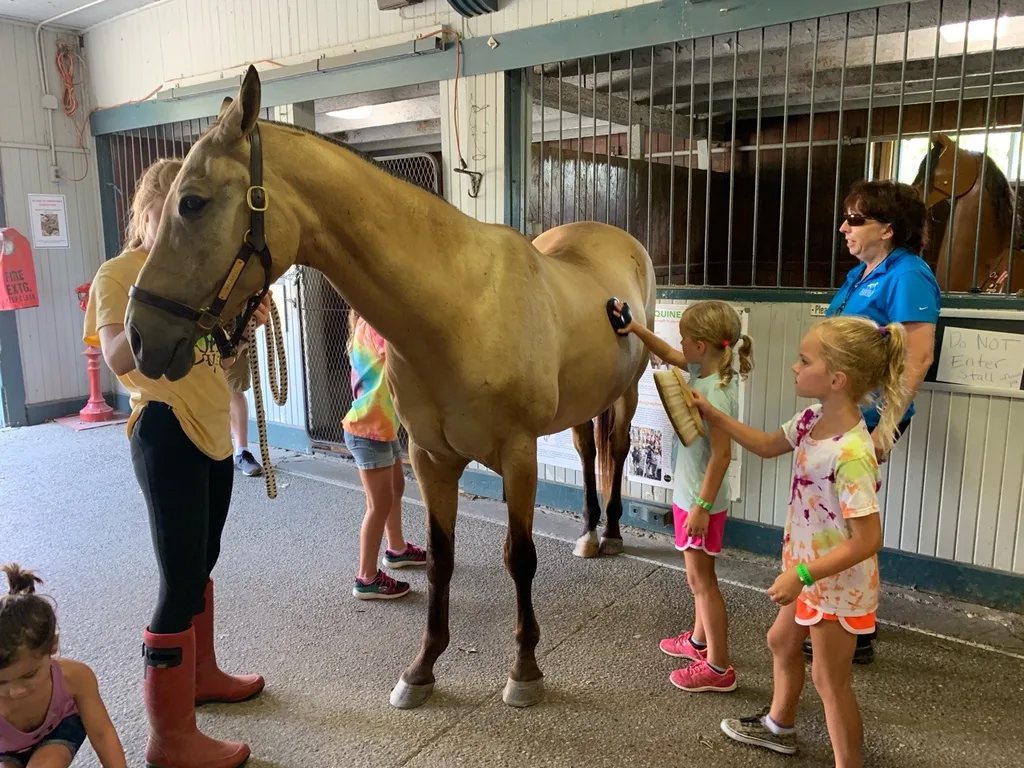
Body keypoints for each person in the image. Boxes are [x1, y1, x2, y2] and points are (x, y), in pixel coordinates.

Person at [84, 158, 272, 768]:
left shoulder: (196, 274)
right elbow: (119, 357)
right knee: (177, 579)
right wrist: (186, 318)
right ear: (147, 213)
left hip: (214, 428)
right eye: (168, 216)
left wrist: (240, 322)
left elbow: (215, 354)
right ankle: (169, 740)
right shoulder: (120, 273)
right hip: (164, 427)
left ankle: (201, 676)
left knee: (202, 563)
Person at [691, 315, 906, 767]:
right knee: (780, 641)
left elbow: (869, 540)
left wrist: (802, 574)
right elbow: (768, 444)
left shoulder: (851, 453)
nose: (793, 366)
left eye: (804, 360)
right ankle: (779, 727)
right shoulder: (811, 419)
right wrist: (714, 415)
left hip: (833, 584)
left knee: (830, 682)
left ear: (836, 379)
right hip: (805, 572)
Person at [814, 179, 940, 665]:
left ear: (888, 229)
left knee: (852, 522)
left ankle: (855, 630)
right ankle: (835, 616)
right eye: (845, 217)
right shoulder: (862, 273)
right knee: (835, 519)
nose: (844, 227)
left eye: (855, 219)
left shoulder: (908, 275)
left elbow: (918, 354)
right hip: (841, 414)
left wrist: (884, 427)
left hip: (866, 421)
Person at [613, 300, 753, 693]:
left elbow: (723, 456)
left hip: (699, 500)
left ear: (703, 346)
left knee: (702, 581)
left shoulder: (718, 395)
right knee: (699, 579)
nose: (680, 345)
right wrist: (636, 329)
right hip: (690, 495)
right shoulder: (705, 370)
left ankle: (719, 668)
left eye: (686, 339)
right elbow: (671, 355)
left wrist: (702, 507)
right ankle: (698, 642)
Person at [1, 564, 126, 768]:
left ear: (53, 646)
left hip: (59, 729)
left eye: (29, 674)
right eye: (1, 682)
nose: (15, 691)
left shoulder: (75, 677)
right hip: (6, 748)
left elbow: (102, 734)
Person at [343, 309, 426, 600]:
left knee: (395, 490)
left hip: (382, 428)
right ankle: (366, 578)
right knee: (378, 505)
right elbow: (409, 353)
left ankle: (397, 549)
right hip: (369, 431)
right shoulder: (377, 327)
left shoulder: (367, 322)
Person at [224, 346, 263, 477]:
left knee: (234, 387)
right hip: (193, 332)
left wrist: (245, 335)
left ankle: (241, 452)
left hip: (232, 333)